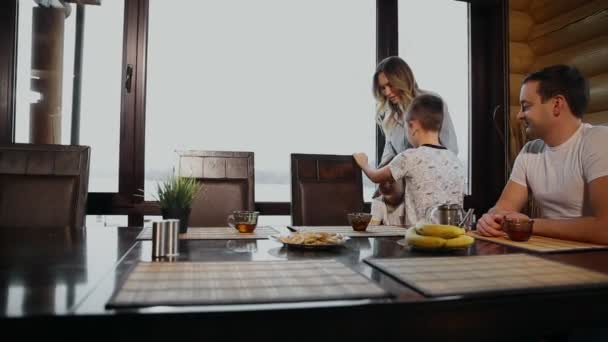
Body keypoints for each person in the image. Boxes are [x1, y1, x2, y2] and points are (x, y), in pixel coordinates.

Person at [476, 65, 608, 245]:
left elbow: (605, 229)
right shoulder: (530, 151)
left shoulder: (598, 140)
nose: (519, 116)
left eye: (526, 106)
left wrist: (530, 225)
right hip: (547, 253)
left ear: (556, 104)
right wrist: (490, 220)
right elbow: (503, 208)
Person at [354, 94, 465, 226]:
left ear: (413, 126)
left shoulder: (409, 157)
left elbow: (375, 177)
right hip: (453, 237)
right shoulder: (455, 161)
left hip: (422, 239)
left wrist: (363, 163)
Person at [373, 56, 459, 167]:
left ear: (402, 80)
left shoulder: (431, 102)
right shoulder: (389, 114)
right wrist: (381, 175)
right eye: (383, 88)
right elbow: (389, 153)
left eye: (390, 85)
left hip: (432, 178)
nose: (387, 92)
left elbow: (451, 149)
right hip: (403, 180)